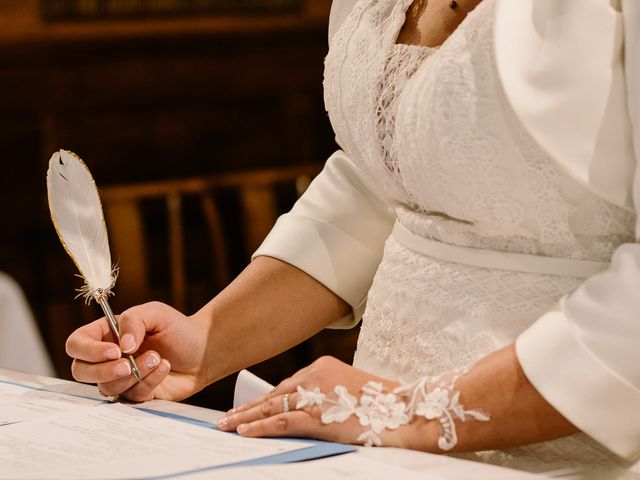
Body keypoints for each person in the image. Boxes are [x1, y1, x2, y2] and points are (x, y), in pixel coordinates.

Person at [65, 0, 640, 476]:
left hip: (574, 442)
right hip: (361, 445)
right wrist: (208, 341)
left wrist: (408, 411)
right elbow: (383, 185)